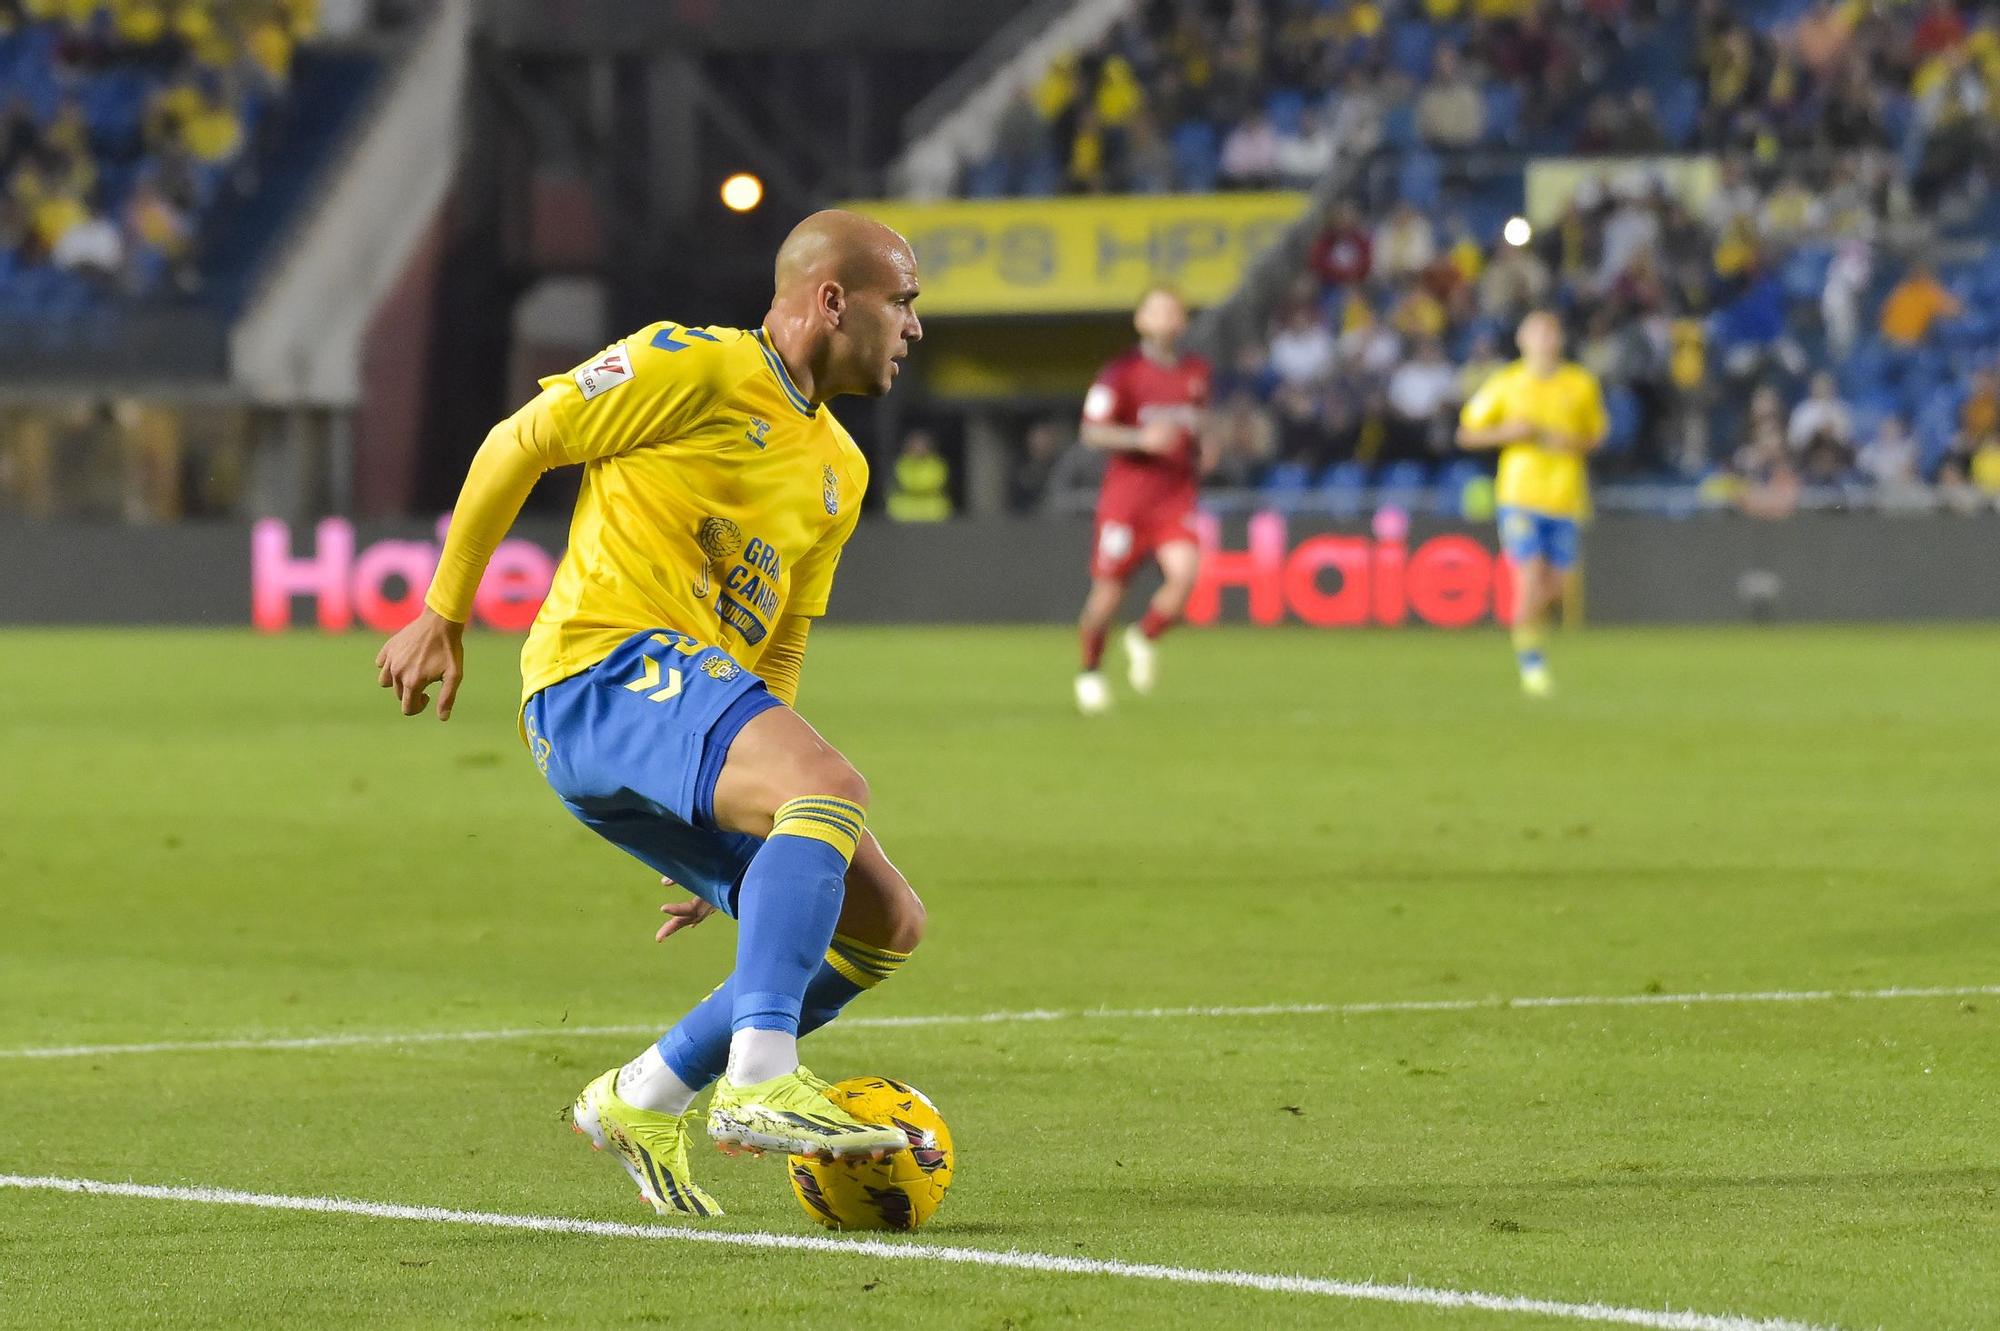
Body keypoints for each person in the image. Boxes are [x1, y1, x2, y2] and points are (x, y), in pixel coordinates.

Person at [372, 211, 926, 1219]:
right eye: (904, 300)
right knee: (832, 786)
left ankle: (642, 1095)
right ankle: (759, 1076)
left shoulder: (840, 472)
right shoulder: (693, 364)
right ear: (833, 300)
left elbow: (780, 644)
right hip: (599, 667)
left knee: (885, 920)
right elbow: (522, 440)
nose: (914, 328)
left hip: (681, 708)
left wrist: (753, 809)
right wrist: (443, 612)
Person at [1073, 286, 1210, 715]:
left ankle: (1144, 635)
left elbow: (1197, 424)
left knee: (1185, 575)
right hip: (1127, 501)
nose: (1165, 318)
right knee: (1106, 598)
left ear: (1181, 321)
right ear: (1141, 321)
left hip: (1174, 496)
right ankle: (1091, 671)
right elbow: (1092, 431)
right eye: (1156, 310)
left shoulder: (1195, 372)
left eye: (1172, 310)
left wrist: (1209, 446)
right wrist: (1139, 438)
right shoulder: (1121, 373)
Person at [1457, 311, 1609, 698]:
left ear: (1558, 340)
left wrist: (1570, 442)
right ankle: (1532, 667)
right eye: (1536, 333)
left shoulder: (1580, 384)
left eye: (1550, 332)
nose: (1544, 339)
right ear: (1523, 340)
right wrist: (1509, 432)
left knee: (1557, 587)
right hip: (1519, 495)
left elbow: (1598, 437)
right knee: (1528, 578)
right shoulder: (1506, 384)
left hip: (1565, 497)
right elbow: (1466, 433)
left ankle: (1527, 633)